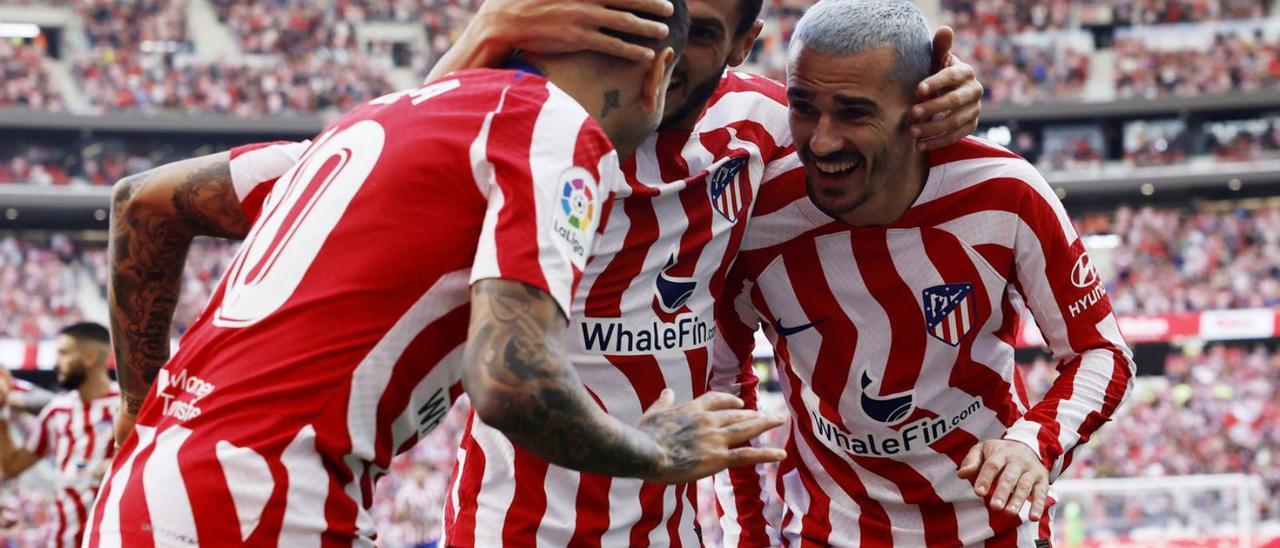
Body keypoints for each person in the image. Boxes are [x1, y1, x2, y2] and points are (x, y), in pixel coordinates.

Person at [214, 0, 986, 544]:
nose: (665, 56)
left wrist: (938, 105)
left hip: (671, 525)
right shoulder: (529, 123)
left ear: (747, 44)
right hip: (512, 525)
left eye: (701, 34)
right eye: (655, 23)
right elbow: (397, 169)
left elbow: (869, 156)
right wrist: (484, 31)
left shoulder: (761, 128)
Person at [87, 2, 791, 545]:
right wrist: (662, 449)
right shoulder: (551, 129)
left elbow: (142, 201)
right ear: (654, 70)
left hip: (156, 485)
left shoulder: (392, 116)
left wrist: (142, 404)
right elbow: (509, 381)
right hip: (264, 505)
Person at [714, 1, 1136, 545]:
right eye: (803, 107)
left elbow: (1101, 351)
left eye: (854, 112)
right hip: (828, 532)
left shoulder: (1005, 194)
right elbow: (723, 383)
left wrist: (1033, 442)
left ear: (922, 106)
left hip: (993, 527)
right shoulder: (754, 215)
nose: (821, 141)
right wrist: (750, 534)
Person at [0, 322, 117, 548]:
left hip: (108, 540)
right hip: (61, 542)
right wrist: (2, 411)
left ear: (90, 357)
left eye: (64, 353)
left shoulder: (126, 408)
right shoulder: (56, 412)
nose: (56, 363)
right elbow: (11, 466)